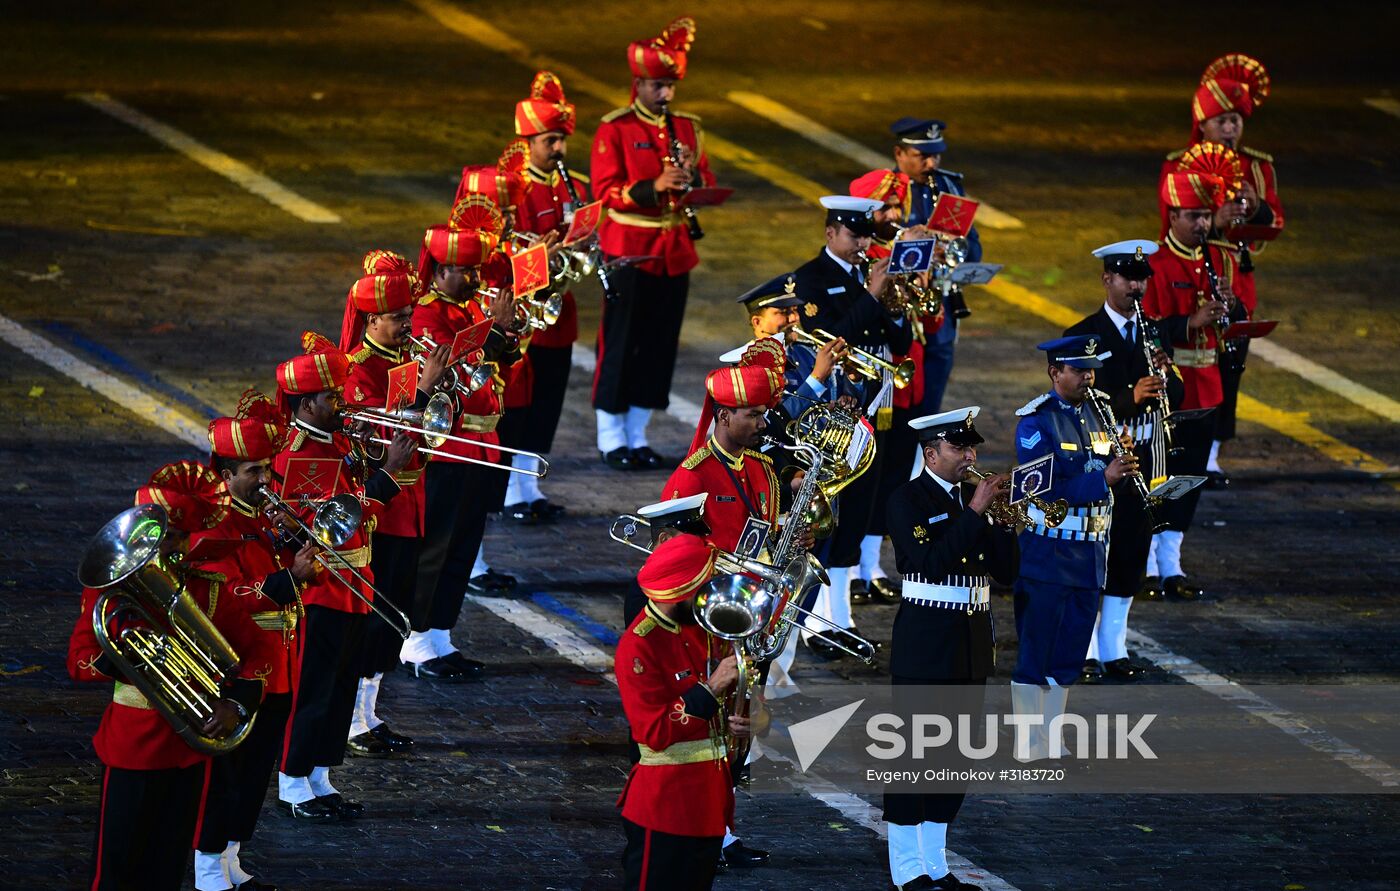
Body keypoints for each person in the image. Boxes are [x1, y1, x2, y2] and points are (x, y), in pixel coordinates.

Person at [69, 462, 265, 890]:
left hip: (188, 747)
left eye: (173, 539)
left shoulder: (206, 591)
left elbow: (256, 655)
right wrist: (127, 652)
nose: (162, 550)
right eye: (155, 538)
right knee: (116, 868)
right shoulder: (109, 594)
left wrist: (236, 705)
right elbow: (79, 660)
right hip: (131, 746)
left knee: (166, 866)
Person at [273, 334, 413, 821]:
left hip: (354, 584)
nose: (342, 404)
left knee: (339, 688)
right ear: (307, 402)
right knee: (314, 688)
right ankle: (293, 782)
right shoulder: (295, 457)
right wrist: (389, 474)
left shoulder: (331, 442)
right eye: (332, 397)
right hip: (322, 590)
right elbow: (342, 521)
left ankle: (319, 776)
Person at [884, 408, 1018, 891]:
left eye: (972, 448)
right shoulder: (907, 499)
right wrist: (976, 513)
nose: (970, 456)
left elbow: (1005, 573)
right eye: (960, 448)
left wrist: (1003, 520)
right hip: (926, 640)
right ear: (931, 453)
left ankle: (936, 863)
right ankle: (906, 867)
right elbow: (929, 563)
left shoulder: (971, 502)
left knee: (955, 758)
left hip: (971, 641)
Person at [194, 399, 318, 890]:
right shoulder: (212, 527)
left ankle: (231, 858)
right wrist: (288, 578)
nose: (266, 479)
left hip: (279, 663)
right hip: (240, 669)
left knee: (255, 772)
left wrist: (291, 543)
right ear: (225, 474)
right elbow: (222, 596)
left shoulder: (262, 517)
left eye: (267, 468)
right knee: (228, 772)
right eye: (253, 471)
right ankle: (207, 868)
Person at [402, 202, 522, 679]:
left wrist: (505, 331)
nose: (475, 278)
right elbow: (451, 365)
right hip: (447, 449)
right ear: (441, 270)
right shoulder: (427, 315)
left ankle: (441, 636)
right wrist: (492, 328)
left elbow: (497, 361)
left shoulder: (466, 307)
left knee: (462, 547)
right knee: (436, 546)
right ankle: (414, 640)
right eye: (465, 271)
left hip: (481, 444)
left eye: (475, 269)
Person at [591, 16, 715, 470]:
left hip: (674, 251)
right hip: (628, 248)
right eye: (657, 86)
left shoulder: (687, 127)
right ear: (638, 83)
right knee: (621, 342)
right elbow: (604, 192)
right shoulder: (615, 128)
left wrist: (692, 178)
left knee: (660, 344)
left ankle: (638, 434)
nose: (665, 95)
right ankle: (610, 436)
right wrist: (654, 183)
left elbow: (708, 176)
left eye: (670, 86)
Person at [791, 195, 911, 658]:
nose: (862, 242)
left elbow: (898, 341)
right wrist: (872, 295)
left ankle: (841, 615)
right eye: (852, 233)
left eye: (865, 234)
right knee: (832, 515)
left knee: (861, 510)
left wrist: (898, 302)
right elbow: (833, 338)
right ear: (830, 234)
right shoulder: (810, 279)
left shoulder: (870, 273)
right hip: (835, 413)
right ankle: (814, 621)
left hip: (878, 404)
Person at [340, 250, 447, 755]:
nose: (409, 325)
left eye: (409, 316)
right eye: (399, 318)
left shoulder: (403, 359)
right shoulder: (357, 372)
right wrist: (424, 391)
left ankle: (368, 712)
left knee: (394, 616)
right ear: (371, 319)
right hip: (381, 511)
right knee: (373, 616)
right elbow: (380, 442)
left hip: (411, 500)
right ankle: (352, 720)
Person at [1011, 336, 1139, 760]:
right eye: (1079, 370)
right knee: (1036, 648)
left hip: (1089, 553)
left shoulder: (1100, 410)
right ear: (1055, 372)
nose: (1088, 377)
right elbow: (1042, 490)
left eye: (1091, 370)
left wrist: (1121, 462)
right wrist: (1103, 478)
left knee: (1069, 652)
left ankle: (1052, 736)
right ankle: (1028, 741)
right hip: (1049, 553)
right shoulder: (1036, 422)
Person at [1064, 242, 1184, 682]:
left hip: (1147, 460)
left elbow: (1176, 397)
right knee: (1097, 552)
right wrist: (1128, 397)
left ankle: (1115, 646)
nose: (1137, 286)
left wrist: (1169, 377)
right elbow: (1074, 399)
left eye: (1142, 278)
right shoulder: (1083, 334)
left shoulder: (1154, 332)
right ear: (1107, 280)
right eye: (1128, 278)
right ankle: (1087, 647)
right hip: (1101, 464)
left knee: (1132, 552)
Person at [1161, 54, 1281, 485]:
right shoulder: (1180, 164)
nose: (1230, 128)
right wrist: (1216, 218)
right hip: (1188, 276)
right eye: (1222, 120)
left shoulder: (1256, 166)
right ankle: (1178, 445)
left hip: (1236, 280)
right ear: (1202, 125)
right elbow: (1169, 224)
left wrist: (1258, 207)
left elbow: (1275, 226)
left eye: (1236, 120)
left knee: (1231, 365)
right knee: (1188, 363)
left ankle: (1212, 450)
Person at [615, 533, 748, 890]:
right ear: (681, 590)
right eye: (705, 586)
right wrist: (712, 688)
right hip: (664, 807)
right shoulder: (639, 645)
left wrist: (747, 719)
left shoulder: (707, 630)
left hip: (709, 805)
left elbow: (733, 706)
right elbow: (654, 731)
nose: (712, 594)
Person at [1142, 171, 1236, 601]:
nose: (1202, 224)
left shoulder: (1217, 260)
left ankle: (1171, 565)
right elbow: (1145, 330)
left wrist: (1232, 309)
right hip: (1169, 391)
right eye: (1194, 216)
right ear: (1173, 216)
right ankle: (1143, 562)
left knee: (1190, 479)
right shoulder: (1155, 266)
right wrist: (1188, 323)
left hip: (1209, 388)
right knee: (1156, 477)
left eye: (1205, 216)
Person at [503, 70, 588, 522]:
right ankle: (510, 491)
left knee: (549, 403)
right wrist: (542, 252)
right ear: (529, 140)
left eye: (561, 140)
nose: (557, 149)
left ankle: (529, 484)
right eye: (549, 140)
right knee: (520, 406)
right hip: (520, 313)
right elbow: (501, 258)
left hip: (558, 310)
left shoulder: (570, 184)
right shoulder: (512, 188)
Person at [889, 117, 983, 416]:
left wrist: (954, 250)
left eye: (936, 155)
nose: (931, 163)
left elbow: (974, 247)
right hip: (899, 310)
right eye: (922, 156)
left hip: (940, 310)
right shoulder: (885, 190)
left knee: (931, 405)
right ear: (899, 154)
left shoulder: (949, 185)